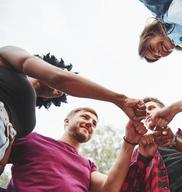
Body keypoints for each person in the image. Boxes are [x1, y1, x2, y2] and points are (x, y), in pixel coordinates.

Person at [0, 45, 145, 173]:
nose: (60, 91)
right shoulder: (10, 57)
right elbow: (58, 78)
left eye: (61, 92)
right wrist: (121, 99)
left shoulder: (28, 121)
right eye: (64, 73)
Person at [4, 107, 147, 192]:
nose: (90, 123)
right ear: (67, 121)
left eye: (94, 123)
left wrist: (129, 140)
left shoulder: (87, 165)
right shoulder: (33, 140)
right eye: (85, 117)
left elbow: (110, 189)